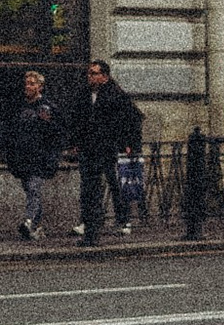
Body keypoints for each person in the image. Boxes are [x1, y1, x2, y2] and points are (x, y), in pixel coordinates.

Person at [74, 61, 143, 240]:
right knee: (88, 187)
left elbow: (134, 119)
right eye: (89, 73)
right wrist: (76, 141)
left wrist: (129, 144)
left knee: (116, 185)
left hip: (110, 147)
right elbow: (78, 119)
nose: (90, 77)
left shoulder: (116, 94)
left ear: (104, 76)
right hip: (89, 147)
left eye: (94, 73)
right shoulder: (83, 94)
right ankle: (88, 221)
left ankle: (124, 220)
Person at [7, 67, 62, 238]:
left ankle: (29, 221)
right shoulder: (21, 106)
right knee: (30, 190)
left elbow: (52, 132)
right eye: (26, 84)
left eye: (32, 84)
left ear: (40, 87)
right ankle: (37, 228)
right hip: (23, 156)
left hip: (40, 156)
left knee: (33, 190)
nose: (28, 87)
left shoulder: (45, 107)